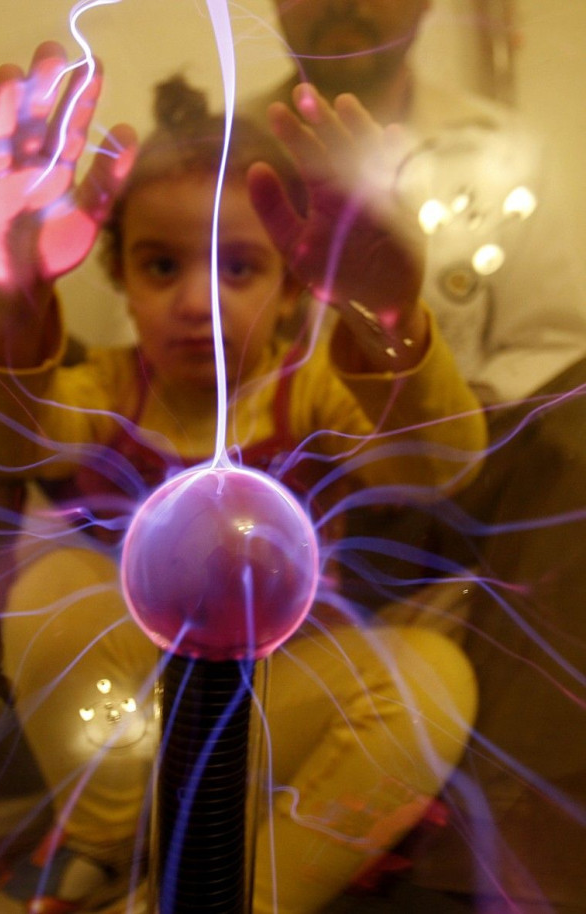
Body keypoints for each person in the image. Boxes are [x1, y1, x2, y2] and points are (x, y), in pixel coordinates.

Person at [0, 39, 488, 914]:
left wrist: (392, 318)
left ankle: (238, 890)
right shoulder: (107, 386)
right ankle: (102, 852)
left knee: (437, 676)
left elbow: (440, 462)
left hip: (269, 709)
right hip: (131, 722)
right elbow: (10, 442)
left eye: (240, 267)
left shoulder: (317, 385)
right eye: (162, 265)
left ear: (295, 289)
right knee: (50, 583)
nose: (197, 301)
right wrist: (8, 300)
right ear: (117, 278)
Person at [247, 3, 586, 911]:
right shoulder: (212, 154)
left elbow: (554, 352)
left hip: (463, 488)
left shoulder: (505, 153)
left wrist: (419, 392)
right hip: (259, 497)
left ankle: (482, 858)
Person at [245, 0, 586, 406]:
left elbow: (548, 346)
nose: (340, 3)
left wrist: (453, 422)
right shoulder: (213, 152)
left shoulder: (506, 154)